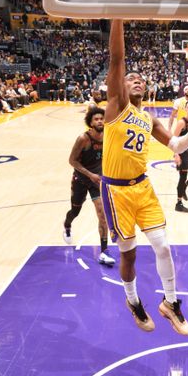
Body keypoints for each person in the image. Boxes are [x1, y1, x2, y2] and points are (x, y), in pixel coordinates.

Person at [102, 18, 188, 335]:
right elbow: (117, 59)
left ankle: (170, 303)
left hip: (142, 187)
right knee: (129, 253)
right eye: (130, 78)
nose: (135, 80)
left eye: (140, 79)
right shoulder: (116, 106)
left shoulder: (147, 118)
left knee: (162, 246)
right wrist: (118, 14)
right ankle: (133, 300)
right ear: (120, 85)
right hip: (116, 192)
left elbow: (175, 144)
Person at [63, 106, 115, 266]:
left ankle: (104, 252)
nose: (100, 121)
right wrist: (89, 174)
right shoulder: (83, 139)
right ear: (90, 122)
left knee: (102, 214)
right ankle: (67, 225)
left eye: (101, 118)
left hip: (97, 181)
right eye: (96, 119)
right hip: (81, 179)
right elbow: (72, 161)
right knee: (75, 211)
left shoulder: (108, 136)